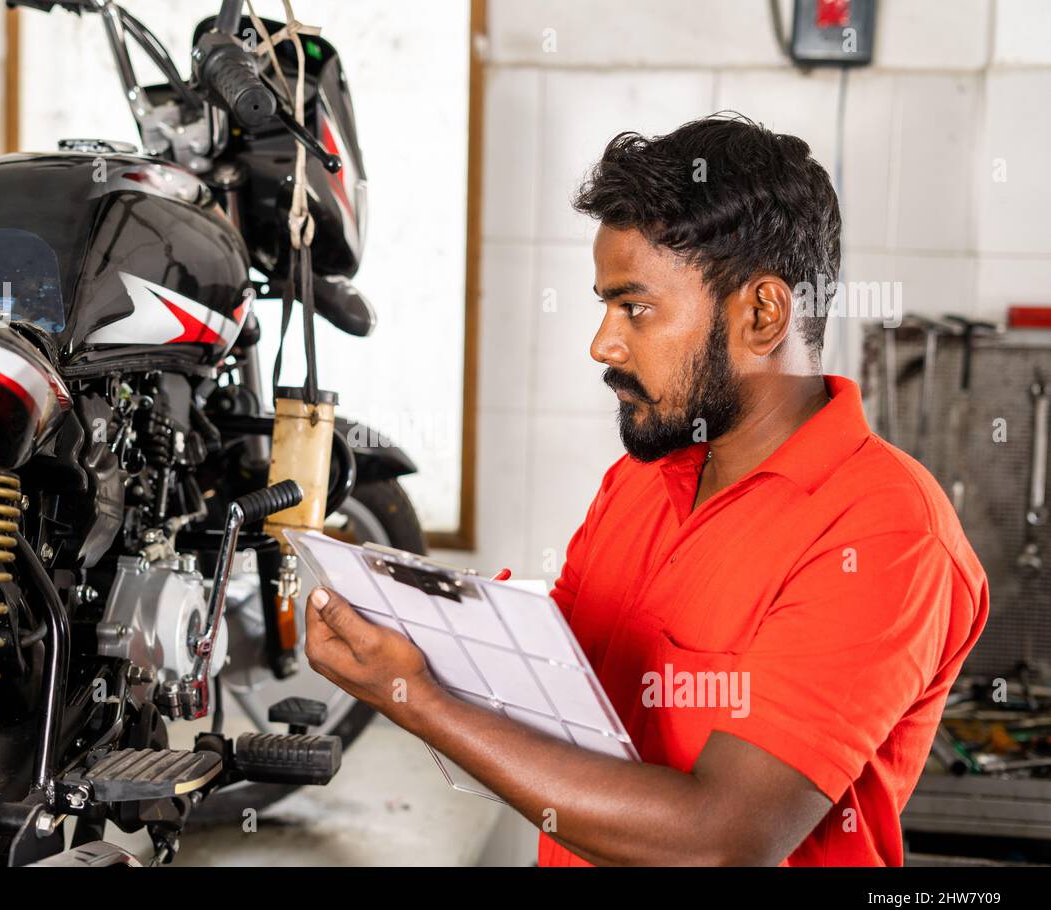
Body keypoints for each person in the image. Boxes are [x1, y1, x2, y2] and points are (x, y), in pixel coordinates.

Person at [303, 114, 988, 866]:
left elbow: (723, 839)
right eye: (604, 305)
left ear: (761, 314)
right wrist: (422, 630)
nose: (603, 342)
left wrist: (417, 699)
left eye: (635, 307)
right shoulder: (643, 474)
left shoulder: (886, 534)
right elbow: (548, 693)